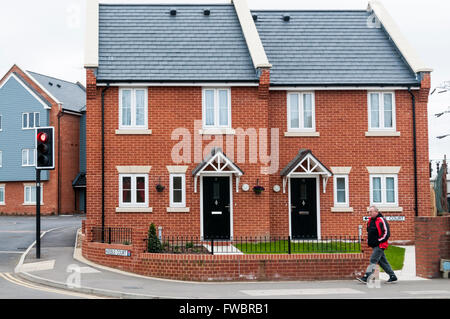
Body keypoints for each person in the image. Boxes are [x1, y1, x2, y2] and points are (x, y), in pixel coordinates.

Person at [357, 206, 398, 284]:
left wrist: (378, 240)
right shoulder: (370, 221)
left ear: (376, 212)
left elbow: (386, 233)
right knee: (383, 262)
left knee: (373, 260)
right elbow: (369, 231)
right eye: (369, 212)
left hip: (380, 245)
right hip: (374, 245)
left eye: (371, 212)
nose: (369, 213)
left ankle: (366, 277)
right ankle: (393, 276)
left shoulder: (381, 220)